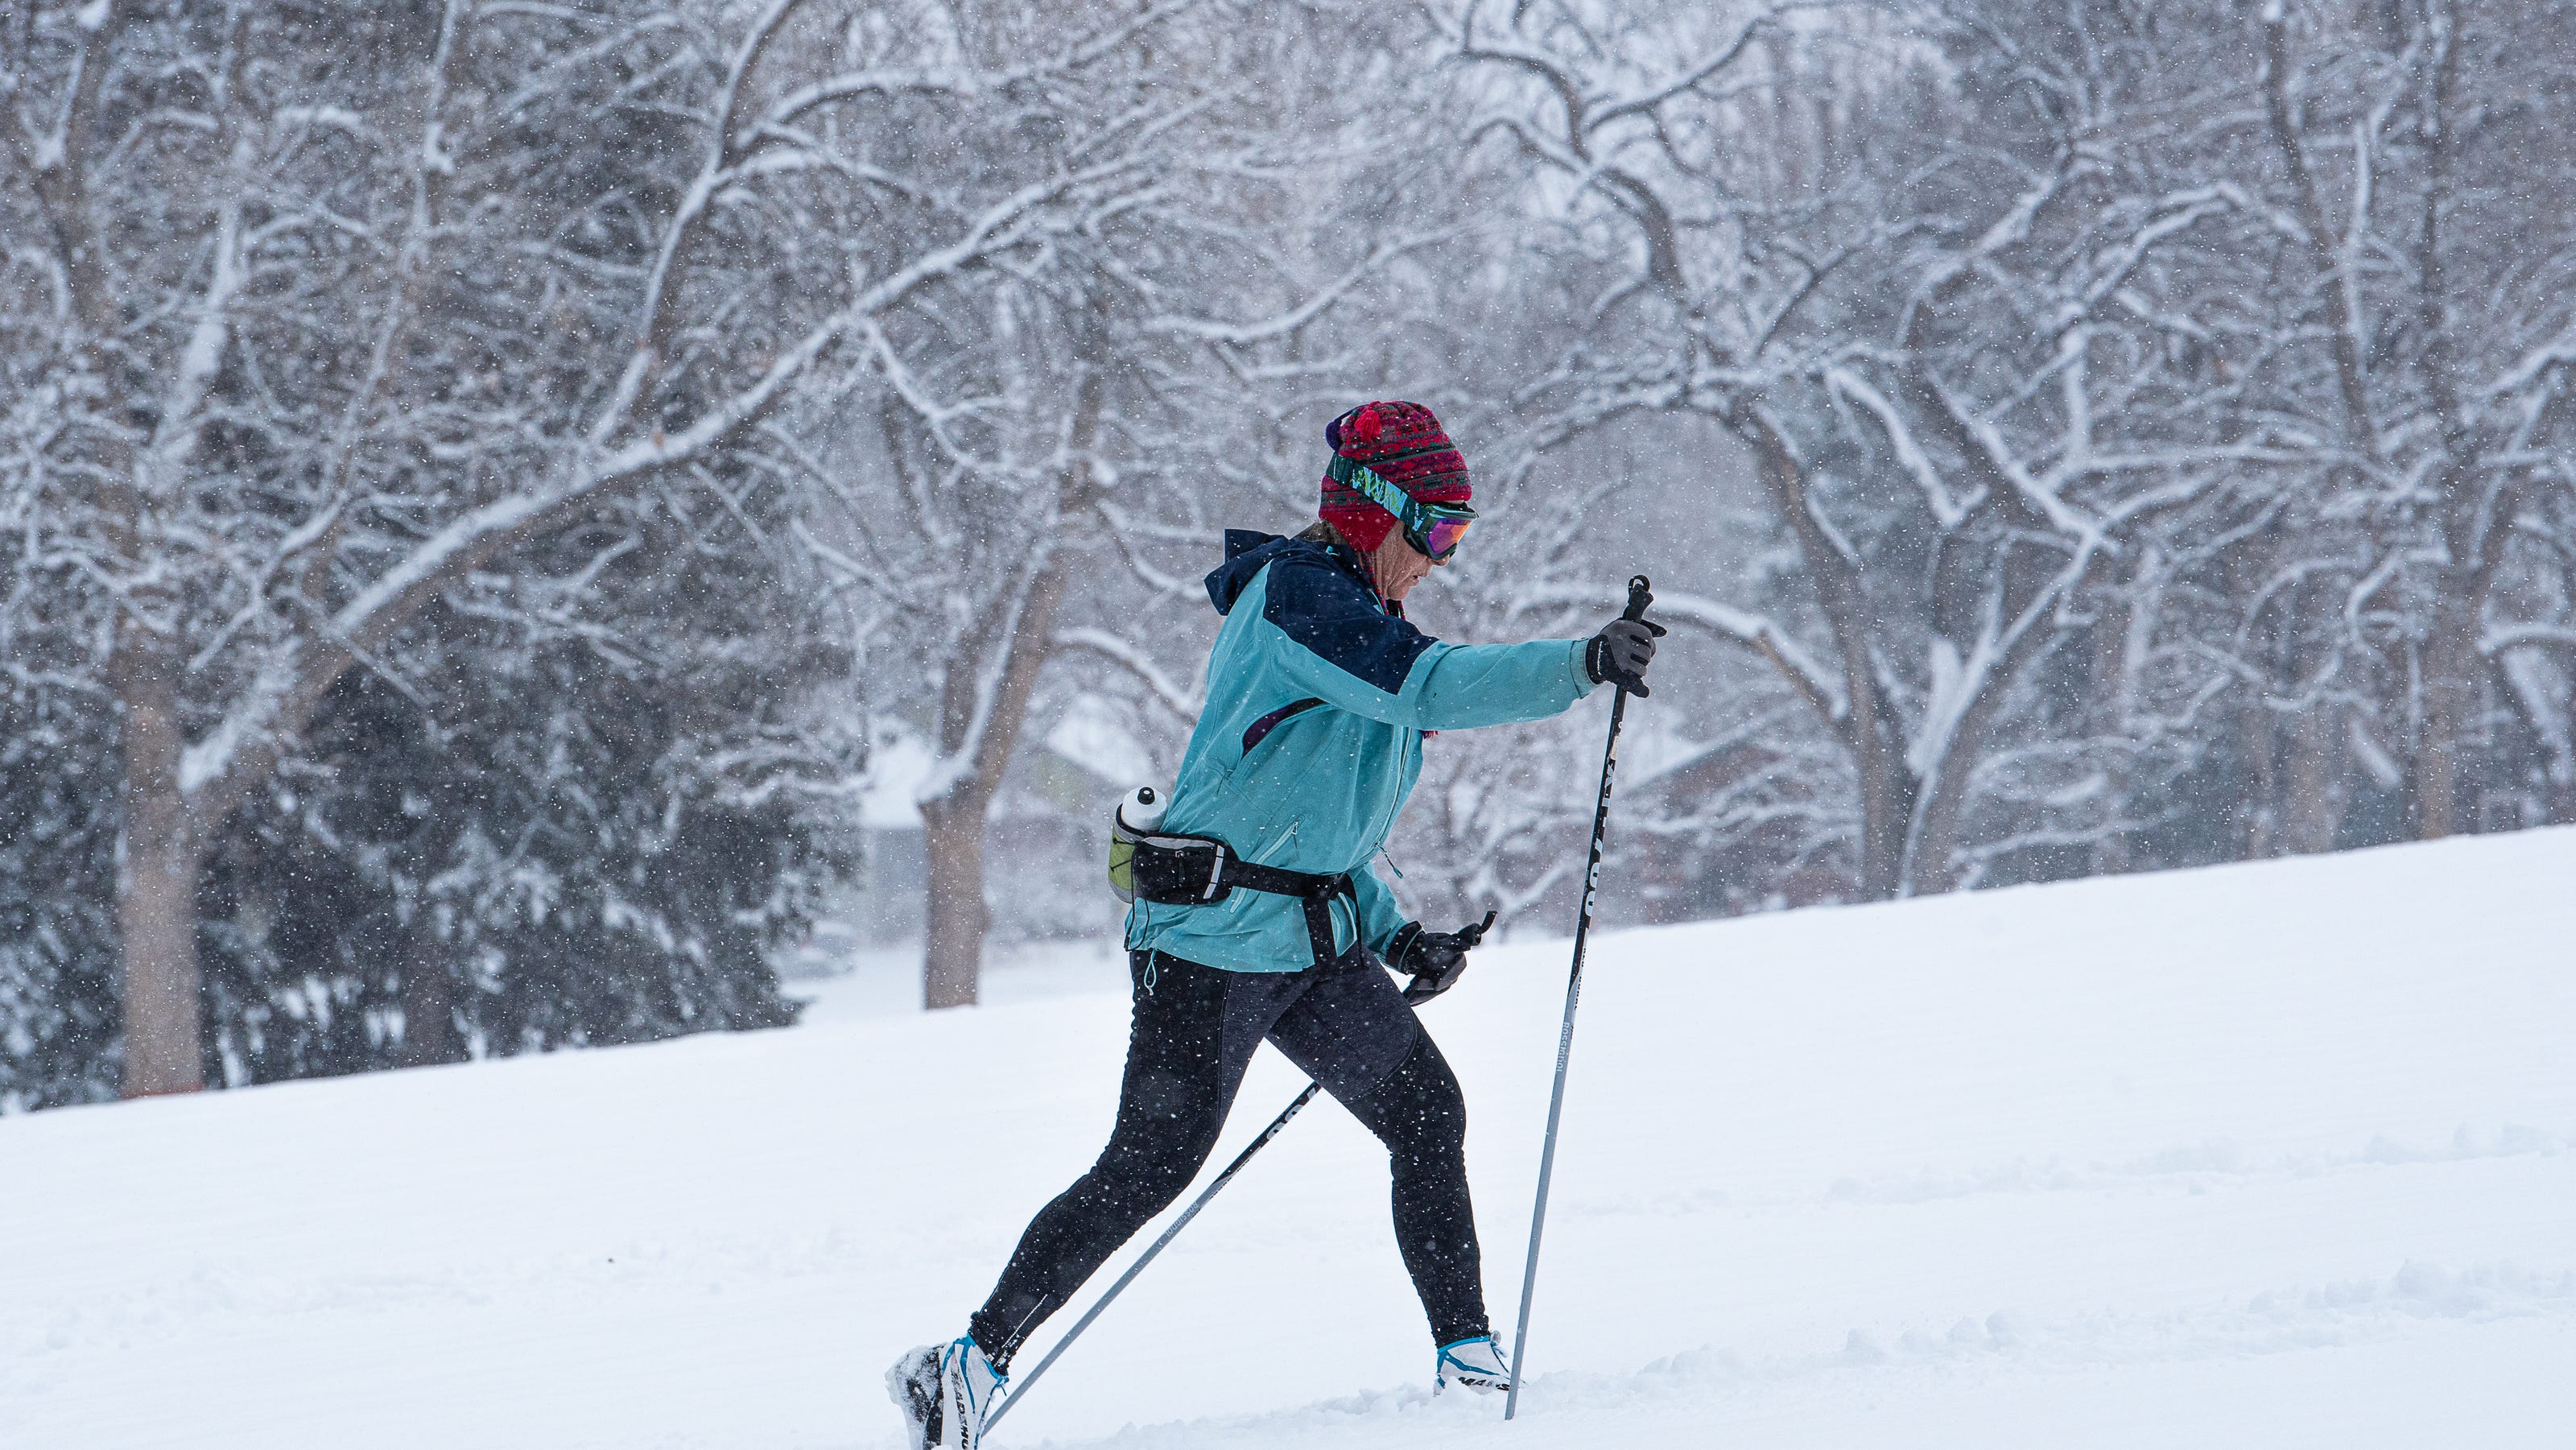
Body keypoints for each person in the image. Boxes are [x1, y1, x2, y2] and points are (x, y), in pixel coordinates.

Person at [888, 401, 1660, 1448]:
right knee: (1150, 1165)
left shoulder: (1359, 615)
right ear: (1375, 511)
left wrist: (1395, 937)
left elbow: (1316, 828)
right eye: (1437, 530)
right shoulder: (1300, 601)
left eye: (1459, 536)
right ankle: (964, 1367)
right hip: (1206, 947)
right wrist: (1581, 664)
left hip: (1307, 946)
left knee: (1428, 1114)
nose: (1441, 559)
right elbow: (1431, 687)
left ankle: (1469, 1366)